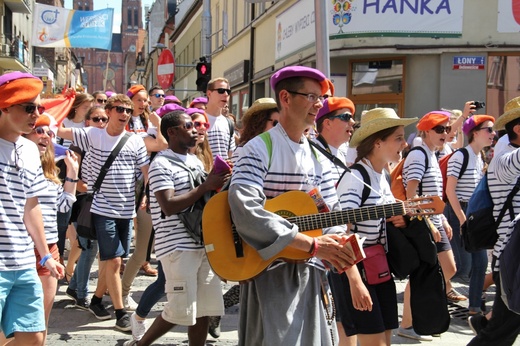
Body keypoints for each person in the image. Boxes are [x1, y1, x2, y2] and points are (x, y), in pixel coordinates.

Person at [228, 66, 356, 345]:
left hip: (309, 270)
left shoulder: (316, 155)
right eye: (311, 96)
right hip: (269, 270)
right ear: (285, 97)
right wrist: (310, 245)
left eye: (321, 98)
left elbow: (327, 210)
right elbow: (245, 209)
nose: (318, 105)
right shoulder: (259, 148)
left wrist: (337, 242)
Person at [123, 110, 230, 346]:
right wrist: (205, 187)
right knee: (181, 309)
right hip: (177, 245)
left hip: (203, 242)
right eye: (189, 126)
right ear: (172, 132)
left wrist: (219, 182)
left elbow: (203, 199)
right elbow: (168, 205)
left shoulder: (193, 160)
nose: (196, 130)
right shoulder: (161, 163)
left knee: (204, 309)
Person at [57, 93, 149, 331]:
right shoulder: (92, 134)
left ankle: (96, 300)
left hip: (127, 210)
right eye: (119, 109)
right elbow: (57, 129)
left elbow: (145, 171)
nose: (124, 114)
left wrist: (147, 195)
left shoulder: (136, 140)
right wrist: (67, 105)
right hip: (101, 208)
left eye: (128, 111)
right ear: (108, 111)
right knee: (114, 260)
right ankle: (120, 314)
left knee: (114, 262)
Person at [335, 108, 416, 346]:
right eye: (398, 138)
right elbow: (341, 232)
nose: (404, 144)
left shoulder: (382, 175)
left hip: (379, 268)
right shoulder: (355, 177)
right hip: (358, 270)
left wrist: (399, 219)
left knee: (385, 340)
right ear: (378, 143)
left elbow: (385, 218)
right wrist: (355, 282)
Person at [0, 71, 64, 345]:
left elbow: (32, 208)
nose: (35, 115)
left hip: (24, 261)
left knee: (34, 338)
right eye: (28, 108)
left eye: (39, 108)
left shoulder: (28, 150)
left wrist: (44, 256)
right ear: (5, 106)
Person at [398, 110, 461, 341]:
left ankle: (419, 320)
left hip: (433, 221)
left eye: (446, 128)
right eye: (439, 129)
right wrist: (430, 224)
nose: (445, 133)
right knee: (424, 274)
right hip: (422, 224)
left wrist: (441, 219)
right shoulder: (419, 155)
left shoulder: (432, 154)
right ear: (425, 132)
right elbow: (411, 195)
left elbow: (432, 195)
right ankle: (408, 324)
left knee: (448, 270)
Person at [468, 96, 520, 345]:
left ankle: (484, 322)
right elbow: (514, 163)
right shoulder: (504, 159)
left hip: (513, 258)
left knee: (502, 327)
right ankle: (485, 323)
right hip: (512, 258)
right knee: (500, 333)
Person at [24, 114, 79, 335]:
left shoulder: (49, 174)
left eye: (49, 133)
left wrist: (72, 174)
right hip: (20, 250)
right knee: (15, 325)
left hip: (50, 249)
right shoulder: (12, 167)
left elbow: (64, 206)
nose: (46, 136)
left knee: (41, 323)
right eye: (39, 130)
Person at [121, 84, 168, 310]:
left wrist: (155, 121)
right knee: (128, 253)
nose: (144, 104)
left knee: (142, 251)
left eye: (145, 101)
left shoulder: (146, 121)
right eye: (139, 100)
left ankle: (116, 292)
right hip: (131, 191)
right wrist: (156, 123)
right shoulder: (126, 125)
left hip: (147, 190)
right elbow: (160, 144)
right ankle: (117, 294)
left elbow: (160, 144)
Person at [445, 115, 496, 317]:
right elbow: (450, 191)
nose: (493, 134)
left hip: (474, 212)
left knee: (481, 262)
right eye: (489, 130)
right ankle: (436, 294)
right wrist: (462, 219)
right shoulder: (460, 156)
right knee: (460, 266)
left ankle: (474, 306)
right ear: (475, 133)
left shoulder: (480, 156)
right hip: (459, 211)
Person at [66, 105, 110, 310]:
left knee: (91, 248)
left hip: (98, 202)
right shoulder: (77, 148)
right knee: (88, 247)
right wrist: (97, 187)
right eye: (96, 119)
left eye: (104, 119)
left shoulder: (107, 144)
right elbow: (75, 181)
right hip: (82, 202)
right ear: (87, 122)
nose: (101, 123)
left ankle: (75, 287)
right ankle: (81, 293)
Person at [312, 96, 356, 183]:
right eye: (346, 117)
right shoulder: (311, 153)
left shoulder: (343, 154)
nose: (352, 122)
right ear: (328, 123)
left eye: (352, 117)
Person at [205, 77, 236, 159]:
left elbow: (231, 155)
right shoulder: (198, 120)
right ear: (209, 93)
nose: (226, 94)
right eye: (221, 91)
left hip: (225, 171)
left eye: (228, 91)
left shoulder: (229, 123)